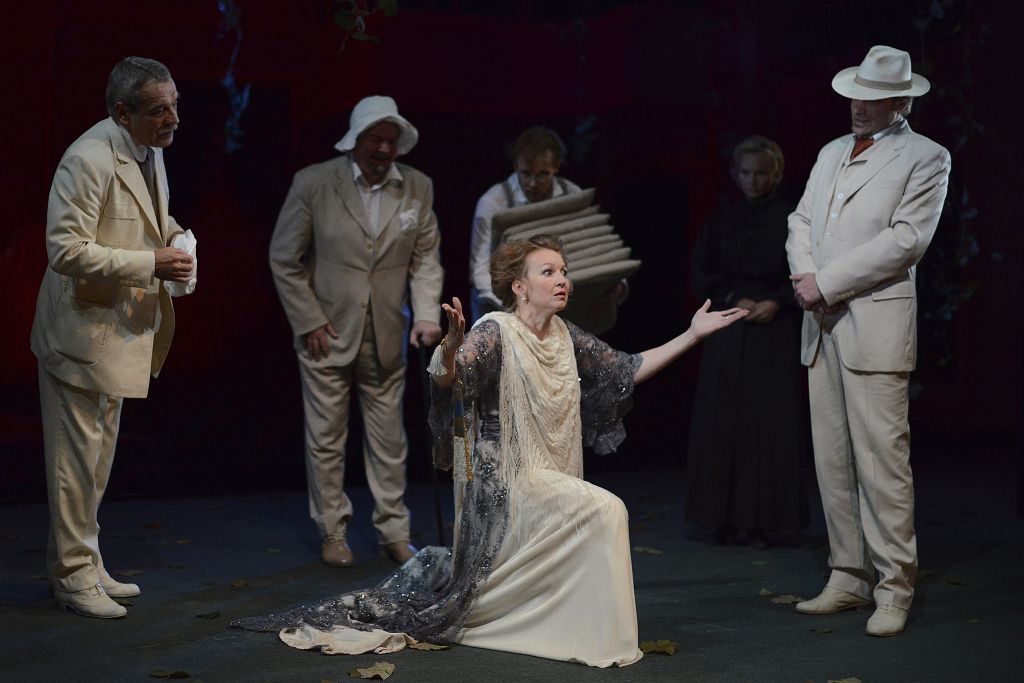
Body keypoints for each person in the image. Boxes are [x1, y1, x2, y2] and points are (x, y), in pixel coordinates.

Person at [236, 234, 747, 667]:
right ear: (519, 286)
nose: (563, 280)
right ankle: (595, 639)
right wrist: (451, 347)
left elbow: (624, 369)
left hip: (550, 472)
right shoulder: (494, 330)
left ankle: (573, 627)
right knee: (607, 508)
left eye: (564, 271)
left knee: (597, 512)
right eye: (549, 272)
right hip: (504, 482)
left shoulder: (565, 335)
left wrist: (692, 334)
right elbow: (449, 379)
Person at [786, 45, 951, 636]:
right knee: (832, 458)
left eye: (873, 99)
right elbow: (801, 221)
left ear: (901, 103)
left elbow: (907, 240)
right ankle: (848, 575)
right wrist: (807, 280)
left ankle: (893, 587)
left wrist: (827, 283)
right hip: (821, 323)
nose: (859, 106)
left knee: (882, 462)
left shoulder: (926, 156)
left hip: (873, 323)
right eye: (855, 96)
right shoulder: (831, 151)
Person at [30, 57, 195, 619]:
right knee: (74, 465)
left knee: (96, 462)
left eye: (174, 104)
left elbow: (147, 222)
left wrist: (176, 239)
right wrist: (151, 263)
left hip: (116, 332)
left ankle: (86, 560)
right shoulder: (86, 158)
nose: (172, 118)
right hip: (79, 334)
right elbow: (65, 250)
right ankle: (72, 576)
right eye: (159, 109)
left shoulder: (150, 149)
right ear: (122, 113)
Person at [268, 96, 444, 568]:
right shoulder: (314, 182)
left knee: (390, 440)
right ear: (356, 140)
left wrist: (427, 314)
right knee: (326, 438)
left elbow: (426, 257)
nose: (383, 148)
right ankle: (332, 530)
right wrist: (308, 319)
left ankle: (394, 532)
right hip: (326, 331)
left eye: (390, 140)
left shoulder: (417, 187)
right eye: (375, 139)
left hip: (387, 332)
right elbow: (285, 257)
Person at [686, 136, 808, 547]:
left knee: (768, 424)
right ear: (735, 174)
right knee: (723, 419)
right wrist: (732, 298)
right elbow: (702, 270)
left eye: (760, 173)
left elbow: (808, 271)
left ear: (776, 174)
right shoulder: (722, 219)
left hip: (775, 330)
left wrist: (778, 301)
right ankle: (719, 517)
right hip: (729, 326)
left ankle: (765, 522)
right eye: (745, 173)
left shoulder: (793, 220)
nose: (752, 180)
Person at [468, 126, 582, 322]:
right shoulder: (494, 202)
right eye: (526, 173)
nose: (533, 183)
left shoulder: (572, 195)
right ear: (515, 166)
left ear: (556, 166)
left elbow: (590, 243)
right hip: (504, 308)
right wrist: (515, 307)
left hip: (558, 308)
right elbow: (480, 268)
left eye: (543, 174)